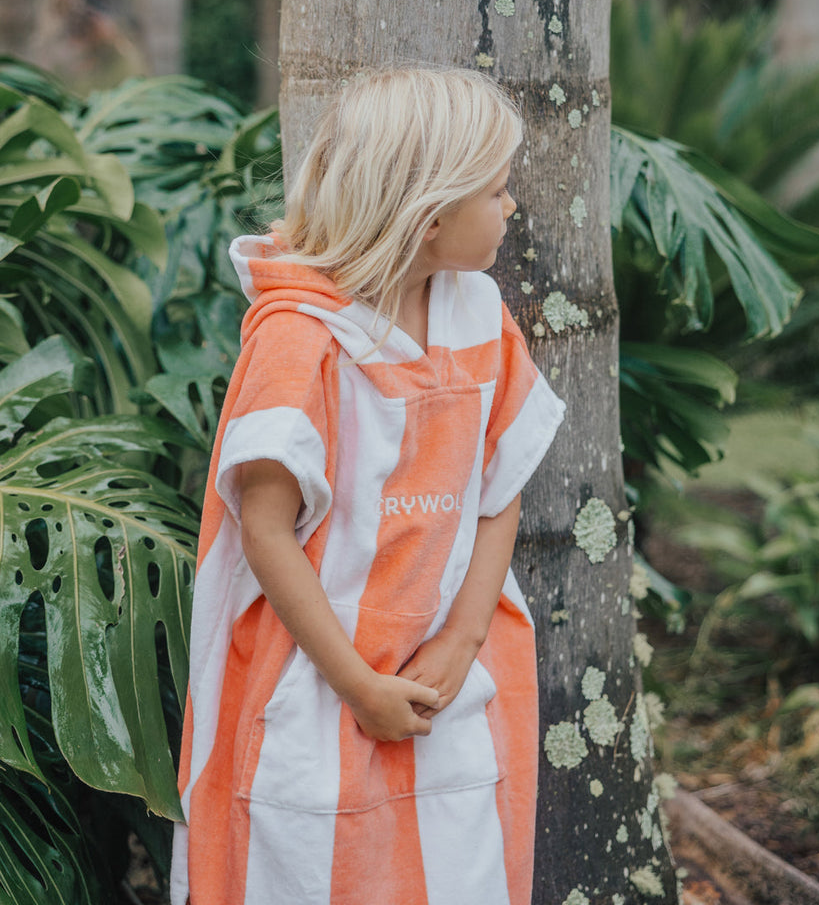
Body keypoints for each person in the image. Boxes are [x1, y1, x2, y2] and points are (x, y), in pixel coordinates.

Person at [171, 67, 565, 905]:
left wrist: (460, 642)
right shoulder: (301, 339)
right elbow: (265, 531)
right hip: (316, 676)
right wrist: (357, 683)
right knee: (307, 863)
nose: (512, 208)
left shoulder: (479, 316)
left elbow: (500, 487)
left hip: (446, 673)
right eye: (496, 192)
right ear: (429, 218)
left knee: (456, 862)